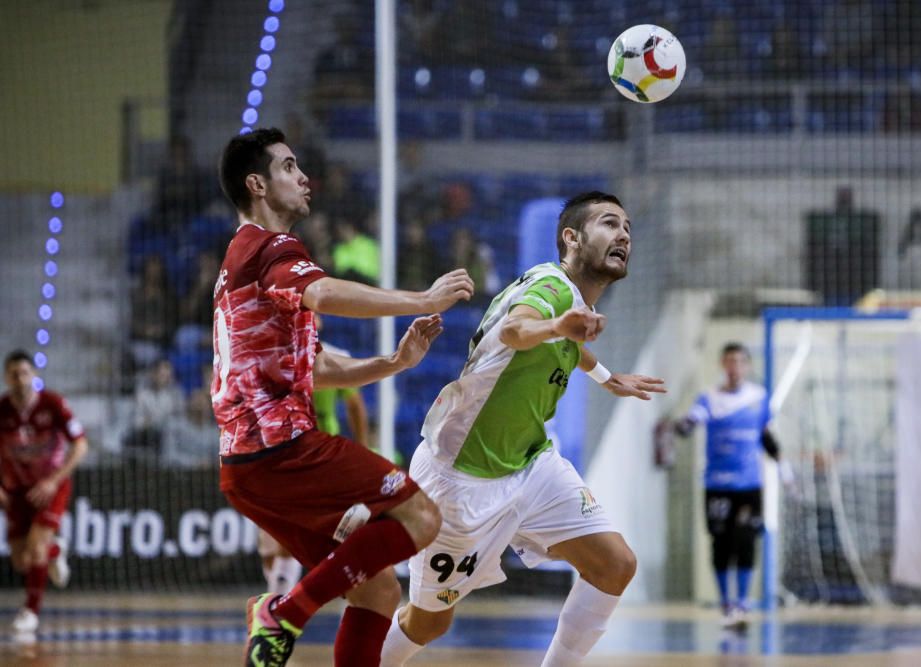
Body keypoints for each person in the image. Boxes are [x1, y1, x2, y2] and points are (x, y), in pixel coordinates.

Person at [212, 127, 474, 667]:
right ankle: (285, 612)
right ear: (256, 184)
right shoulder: (272, 246)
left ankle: (285, 609)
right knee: (421, 517)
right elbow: (324, 291)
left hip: (243, 470)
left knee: (377, 591)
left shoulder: (239, 262)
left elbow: (313, 365)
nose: (304, 177)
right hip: (284, 450)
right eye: (288, 167)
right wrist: (421, 299)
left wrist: (393, 364)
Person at [381, 192, 666, 667]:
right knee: (429, 622)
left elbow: (572, 347)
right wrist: (559, 326)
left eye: (628, 228)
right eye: (609, 224)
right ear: (570, 239)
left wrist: (606, 376)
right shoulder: (552, 287)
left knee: (615, 564)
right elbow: (517, 330)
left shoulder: (568, 304)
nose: (623, 235)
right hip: (459, 481)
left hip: (531, 465)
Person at [670, 342, 788, 630]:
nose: (735, 367)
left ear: (747, 366)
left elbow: (767, 437)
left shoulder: (758, 398)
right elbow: (692, 421)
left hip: (749, 485)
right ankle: (727, 605)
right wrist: (682, 426)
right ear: (723, 365)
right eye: (729, 361)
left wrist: (785, 470)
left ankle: (744, 605)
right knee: (721, 544)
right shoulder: (709, 399)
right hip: (717, 485)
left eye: (740, 361)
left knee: (746, 541)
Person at [258, 314, 373, 597]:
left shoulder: (334, 357)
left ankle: (281, 599)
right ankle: (280, 591)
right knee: (270, 543)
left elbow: (356, 407)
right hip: (280, 451)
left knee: (291, 526)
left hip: (318, 450)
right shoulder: (272, 360)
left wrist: (362, 449)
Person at [0, 351, 88, 635]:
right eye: (14, 374)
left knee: (35, 547)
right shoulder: (2, 410)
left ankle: (30, 612)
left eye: (25, 373)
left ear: (34, 375)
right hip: (15, 489)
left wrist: (54, 480)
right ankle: (55, 550)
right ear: (6, 378)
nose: (20, 379)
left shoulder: (53, 404)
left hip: (51, 486)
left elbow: (81, 445)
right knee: (20, 559)